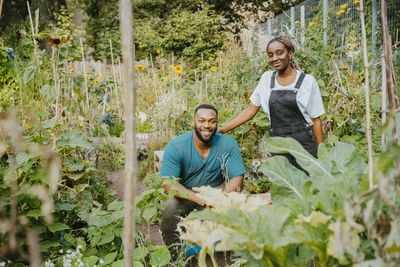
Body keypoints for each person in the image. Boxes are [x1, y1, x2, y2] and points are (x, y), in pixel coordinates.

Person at [218, 36, 324, 167]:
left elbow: (316, 119)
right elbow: (251, 110)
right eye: (270, 55)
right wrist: (223, 130)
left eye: (279, 53)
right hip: (278, 144)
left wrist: (322, 152)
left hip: (304, 144)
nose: (274, 58)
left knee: (307, 184)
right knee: (283, 182)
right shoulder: (266, 79)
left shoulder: (307, 81)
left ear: (290, 53)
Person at [160, 104, 245, 249]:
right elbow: (168, 185)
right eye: (201, 121)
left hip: (217, 189)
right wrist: (200, 200)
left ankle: (238, 258)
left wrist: (220, 197)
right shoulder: (177, 146)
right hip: (186, 193)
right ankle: (175, 255)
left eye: (212, 121)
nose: (207, 125)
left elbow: (237, 179)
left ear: (217, 123)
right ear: (194, 122)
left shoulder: (228, 143)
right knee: (168, 208)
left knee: (243, 202)